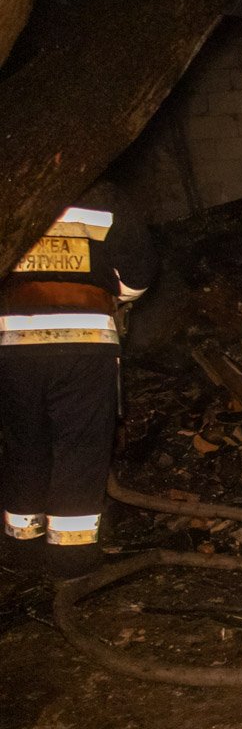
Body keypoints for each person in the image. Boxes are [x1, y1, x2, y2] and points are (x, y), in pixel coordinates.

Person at [0, 180, 157, 579]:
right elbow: (139, 272)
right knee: (80, 449)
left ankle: (21, 551)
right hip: (85, 344)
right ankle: (71, 561)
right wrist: (114, 296)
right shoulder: (105, 196)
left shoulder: (13, 183)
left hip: (13, 345)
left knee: (24, 444)